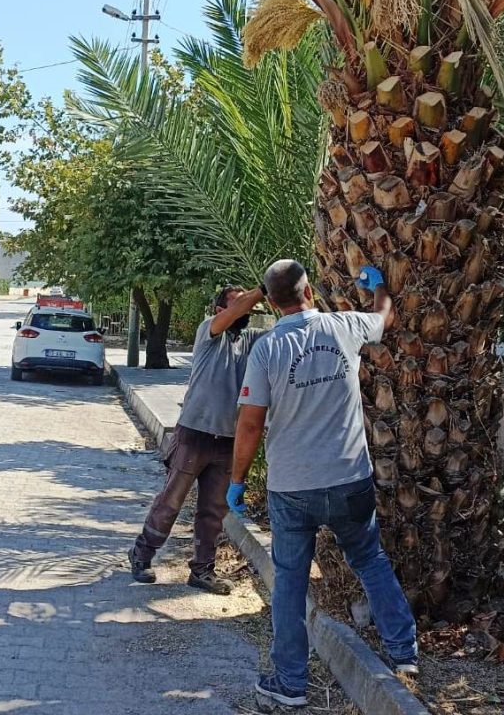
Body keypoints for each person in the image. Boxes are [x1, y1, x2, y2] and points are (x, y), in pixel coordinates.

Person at [227, 260, 417, 708]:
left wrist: (237, 481)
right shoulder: (343, 326)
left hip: (292, 490)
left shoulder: (266, 350)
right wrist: (379, 287)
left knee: (290, 583)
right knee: (370, 560)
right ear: (309, 292)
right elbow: (383, 318)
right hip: (350, 479)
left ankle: (290, 685)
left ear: (273, 305)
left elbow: (250, 425)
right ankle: (404, 656)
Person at [129, 283, 268, 594]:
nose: (245, 309)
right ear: (221, 310)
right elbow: (236, 311)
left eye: (248, 305)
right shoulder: (209, 331)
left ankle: (202, 571)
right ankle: (142, 555)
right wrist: (262, 289)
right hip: (194, 434)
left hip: (226, 440)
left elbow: (284, 330)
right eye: (238, 303)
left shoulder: (250, 341)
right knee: (171, 501)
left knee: (213, 511)